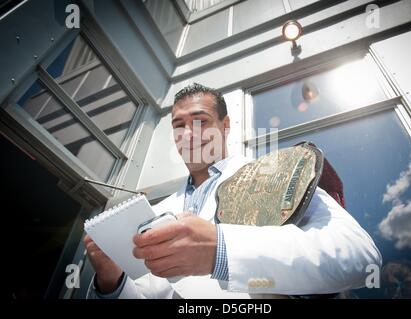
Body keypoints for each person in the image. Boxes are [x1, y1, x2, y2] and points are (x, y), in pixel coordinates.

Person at [84, 83, 382, 299]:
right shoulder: (158, 212)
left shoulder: (279, 173)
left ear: (225, 126)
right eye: (178, 126)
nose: (188, 134)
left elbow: (360, 256)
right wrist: (113, 281)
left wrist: (221, 251)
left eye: (200, 121)